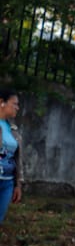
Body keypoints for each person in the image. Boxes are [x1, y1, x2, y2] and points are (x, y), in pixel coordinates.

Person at [0, 89, 22, 223]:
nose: (17, 108)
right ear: (2, 102)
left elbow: (17, 159)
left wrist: (17, 185)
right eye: (14, 104)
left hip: (7, 183)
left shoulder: (13, 129)